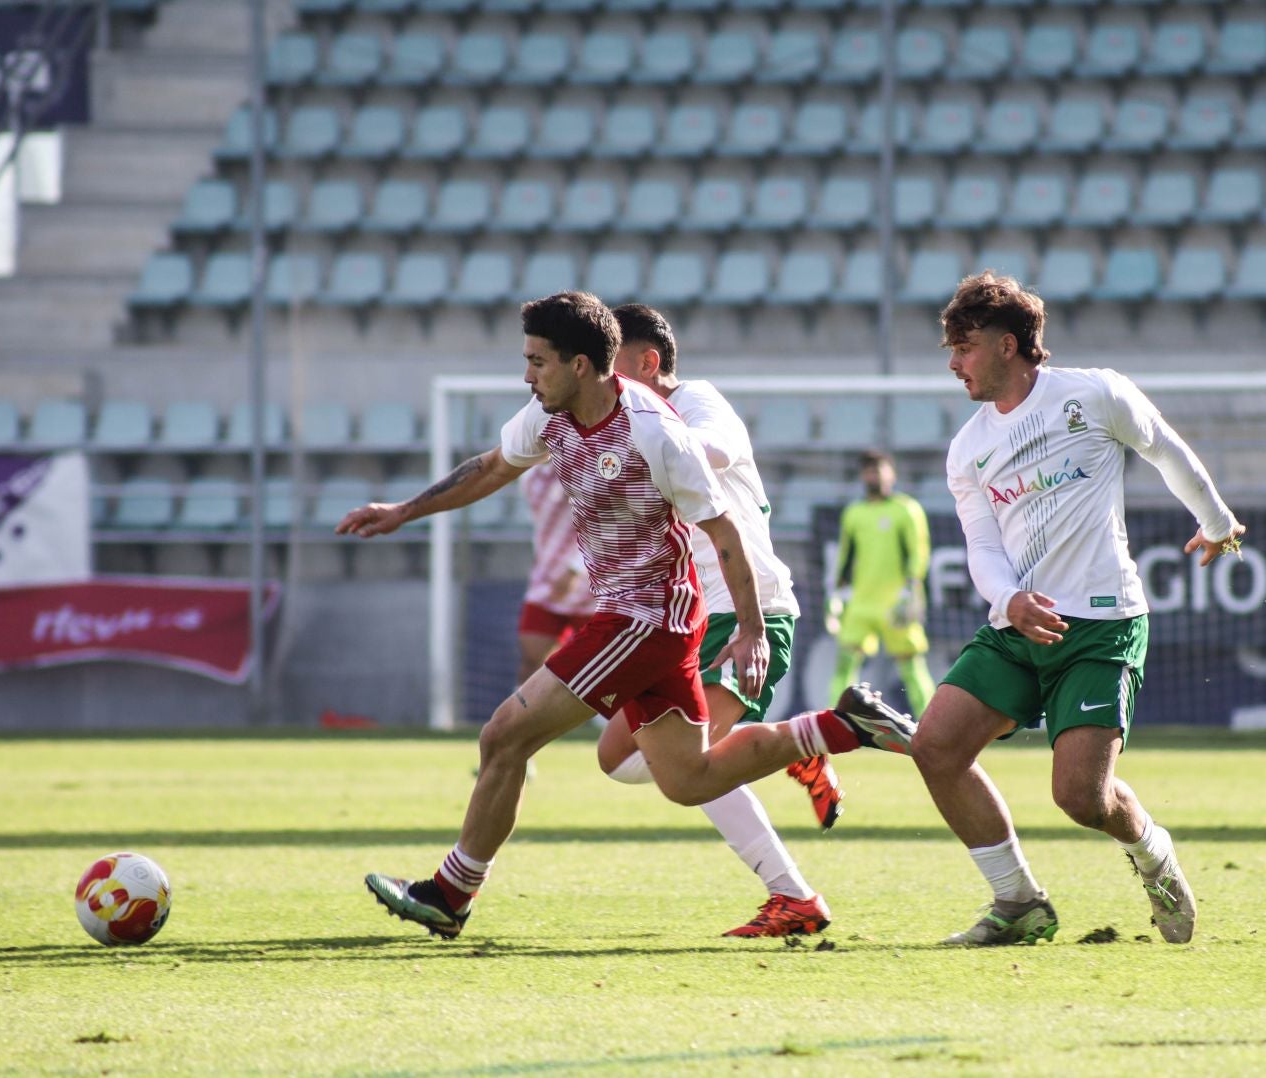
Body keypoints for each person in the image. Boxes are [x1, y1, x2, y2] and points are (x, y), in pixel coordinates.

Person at [338, 291, 915, 941]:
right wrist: (404, 511)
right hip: (652, 617)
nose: (527, 376)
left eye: (537, 362)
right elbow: (492, 467)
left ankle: (451, 892)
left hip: (646, 619)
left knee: (504, 735)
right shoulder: (548, 415)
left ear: (580, 365)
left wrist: (753, 630)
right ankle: (836, 728)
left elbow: (723, 532)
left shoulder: (657, 430)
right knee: (686, 778)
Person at [910, 273, 1246, 947]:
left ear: (1008, 345)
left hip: (1101, 625)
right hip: (1019, 625)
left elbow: (1164, 448)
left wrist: (1216, 522)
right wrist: (1008, 599)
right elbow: (983, 548)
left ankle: (1152, 852)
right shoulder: (968, 447)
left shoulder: (1094, 394)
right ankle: (1018, 902)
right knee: (935, 746)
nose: (953, 364)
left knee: (1081, 799)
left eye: (964, 348)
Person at [595, 302, 843, 938]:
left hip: (746, 609)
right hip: (687, 618)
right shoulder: (625, 424)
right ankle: (786, 750)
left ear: (647, 363)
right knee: (619, 758)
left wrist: (639, 450)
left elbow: (719, 451)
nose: (603, 382)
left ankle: (793, 893)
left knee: (688, 766)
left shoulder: (697, 400)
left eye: (611, 367)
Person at [829, 450, 937, 715]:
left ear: (892, 474)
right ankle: (834, 720)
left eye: (878, 470)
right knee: (845, 663)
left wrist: (911, 590)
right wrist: (836, 592)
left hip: (895, 603)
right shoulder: (854, 513)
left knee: (911, 666)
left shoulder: (906, 510)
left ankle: (932, 722)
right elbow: (846, 556)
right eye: (868, 471)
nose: (873, 476)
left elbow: (919, 553)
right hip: (861, 603)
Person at [514, 463, 594, 688]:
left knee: (597, 665)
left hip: (591, 586)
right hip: (546, 581)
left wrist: (574, 569)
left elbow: (602, 525)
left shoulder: (587, 469)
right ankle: (525, 709)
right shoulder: (530, 476)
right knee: (532, 658)